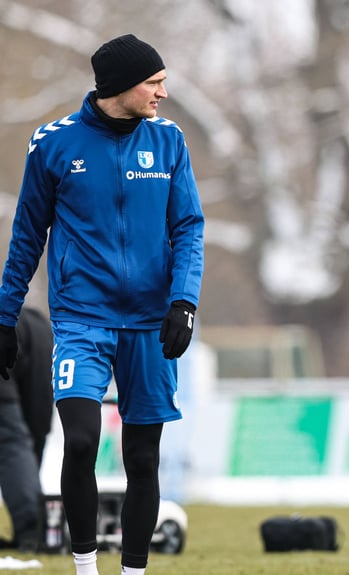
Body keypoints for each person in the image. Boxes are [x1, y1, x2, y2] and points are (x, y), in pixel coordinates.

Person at [0, 34, 204, 575]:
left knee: (142, 456)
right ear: (119, 87)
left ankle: (132, 572)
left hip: (150, 324)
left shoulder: (170, 142)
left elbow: (188, 227)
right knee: (83, 440)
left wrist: (183, 301)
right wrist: (3, 318)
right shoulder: (54, 144)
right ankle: (86, 568)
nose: (164, 91)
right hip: (81, 321)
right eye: (154, 82)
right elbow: (27, 237)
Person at [0, 306, 52, 553]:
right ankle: (39, 525)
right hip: (36, 327)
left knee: (10, 440)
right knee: (31, 434)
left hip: (17, 327)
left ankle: (32, 528)